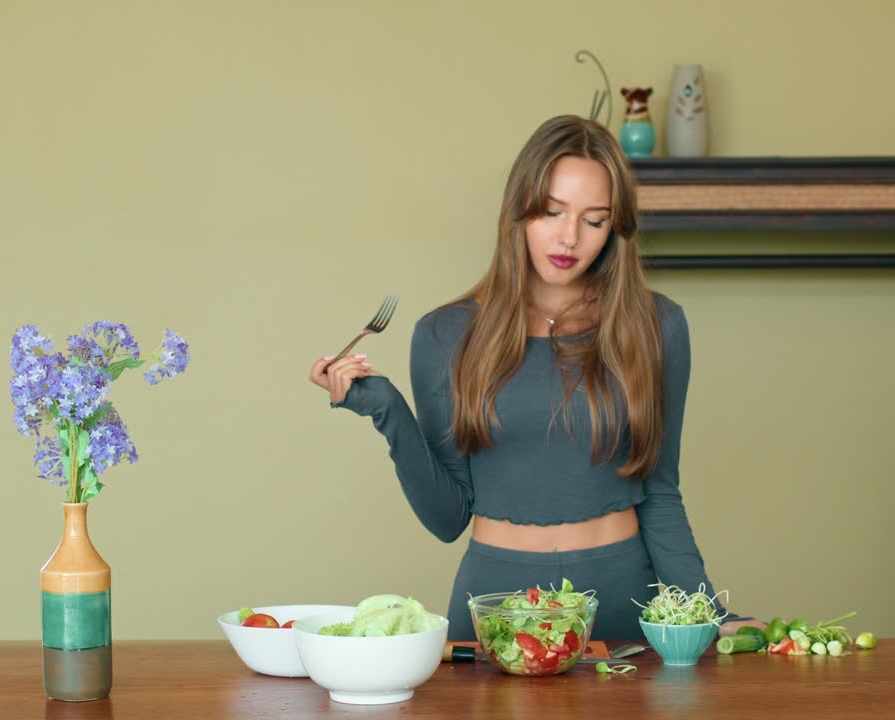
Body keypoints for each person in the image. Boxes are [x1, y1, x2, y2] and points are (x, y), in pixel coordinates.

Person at [309, 114, 760, 640]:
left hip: (619, 599)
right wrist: (384, 407)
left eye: (594, 220)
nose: (569, 237)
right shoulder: (444, 334)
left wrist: (704, 611)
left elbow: (659, 490)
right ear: (519, 210)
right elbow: (447, 517)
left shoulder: (657, 327)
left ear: (616, 228)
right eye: (551, 211)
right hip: (493, 604)